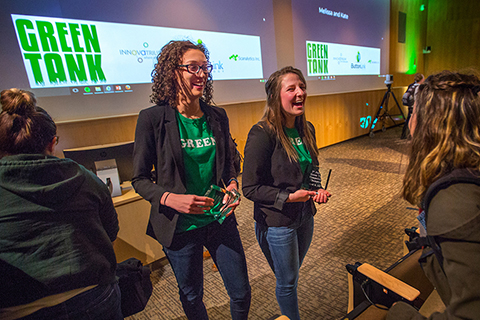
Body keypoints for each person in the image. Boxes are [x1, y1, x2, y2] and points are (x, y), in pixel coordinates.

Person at [132, 40, 251, 320]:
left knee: (242, 292)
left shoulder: (217, 116)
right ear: (173, 72)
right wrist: (171, 198)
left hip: (219, 219)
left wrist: (232, 186)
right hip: (179, 227)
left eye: (204, 67)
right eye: (192, 68)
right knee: (192, 295)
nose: (201, 74)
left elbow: (229, 166)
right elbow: (138, 179)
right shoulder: (152, 119)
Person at [0, 89, 121, 320]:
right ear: (52, 142)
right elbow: (110, 233)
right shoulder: (85, 177)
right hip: (95, 296)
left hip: (19, 308)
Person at [387, 71, 480, 319]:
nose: (410, 120)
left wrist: (401, 316)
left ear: (432, 125)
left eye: (415, 112)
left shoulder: (454, 201)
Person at [242, 66, 331, 320]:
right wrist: (289, 198)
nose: (300, 92)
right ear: (275, 97)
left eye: (302, 86)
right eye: (291, 88)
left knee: (291, 274)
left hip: (304, 216)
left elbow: (311, 169)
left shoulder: (307, 128)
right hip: (278, 222)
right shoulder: (262, 133)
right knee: (288, 281)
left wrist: (317, 190)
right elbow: (250, 187)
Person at [400, 73, 424, 139]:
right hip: (415, 106)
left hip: (410, 105)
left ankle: (404, 134)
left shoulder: (411, 85)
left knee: (409, 119)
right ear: (421, 79)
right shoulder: (419, 87)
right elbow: (417, 97)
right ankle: (412, 135)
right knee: (415, 120)